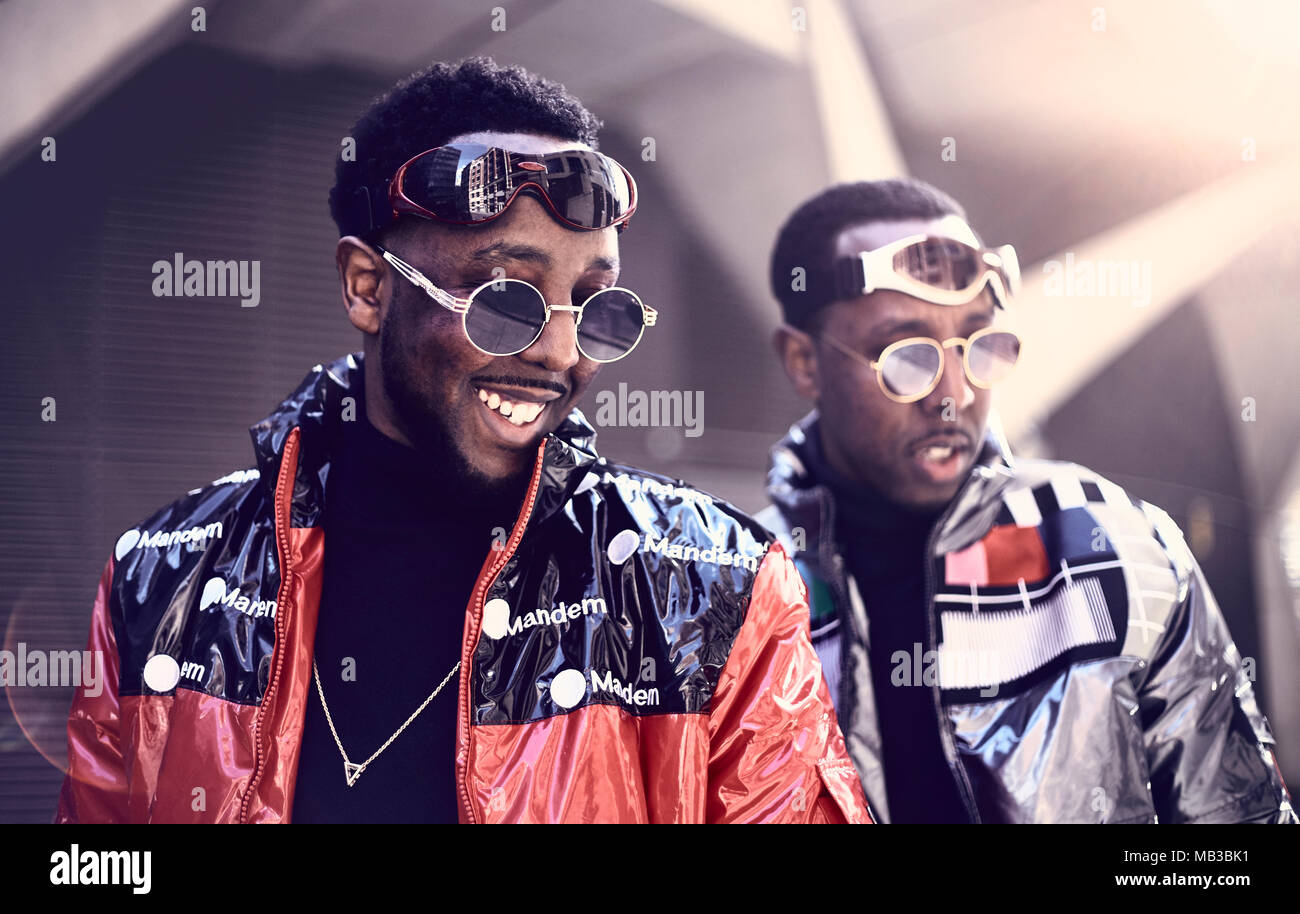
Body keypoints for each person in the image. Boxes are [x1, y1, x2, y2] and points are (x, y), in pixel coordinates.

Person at [55, 58, 869, 824]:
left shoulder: (717, 589)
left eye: (595, 309)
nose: (557, 353)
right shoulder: (161, 579)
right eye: (505, 299)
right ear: (367, 288)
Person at [758, 178, 1295, 823]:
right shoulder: (738, 585)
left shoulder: (1113, 543)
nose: (952, 394)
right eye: (905, 357)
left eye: (978, 346)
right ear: (803, 362)